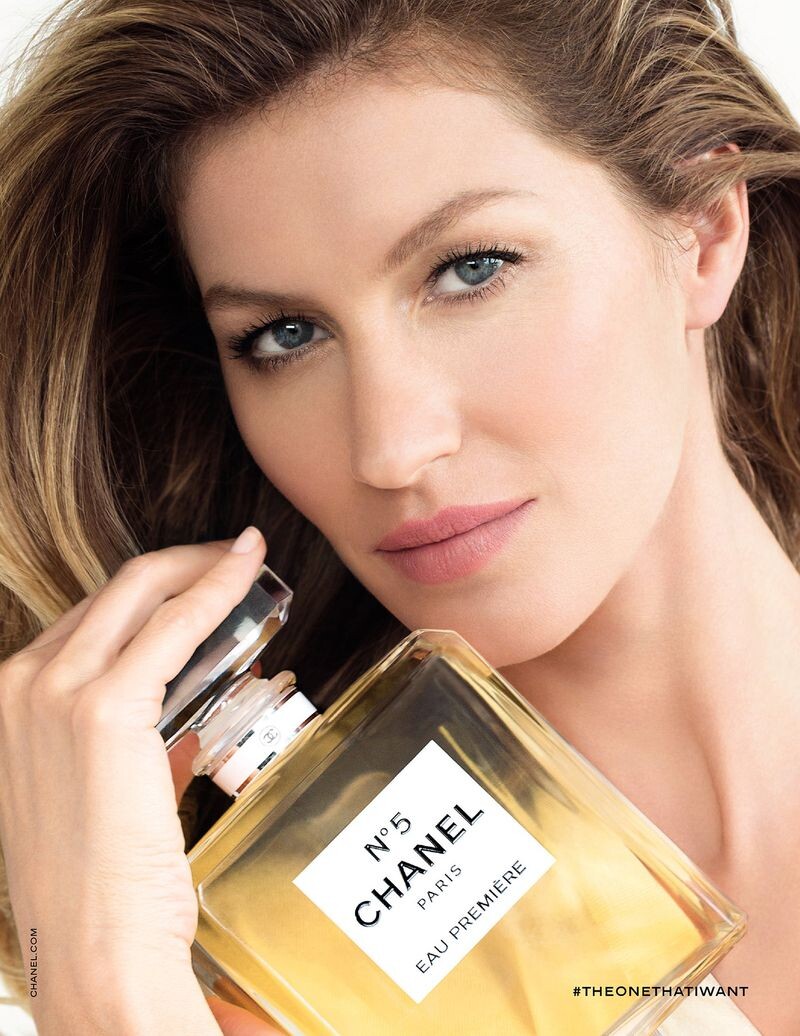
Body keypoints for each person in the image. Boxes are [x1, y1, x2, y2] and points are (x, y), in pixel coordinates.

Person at [0, 0, 798, 1032]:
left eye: (470, 269)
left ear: (704, 230)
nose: (388, 447)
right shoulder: (269, 986)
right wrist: (93, 976)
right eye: (285, 335)